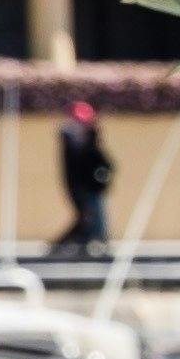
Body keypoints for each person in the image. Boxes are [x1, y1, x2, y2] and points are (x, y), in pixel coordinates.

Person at [56, 98, 114, 258]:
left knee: (93, 216)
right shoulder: (70, 141)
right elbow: (75, 167)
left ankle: (90, 242)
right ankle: (64, 244)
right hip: (80, 186)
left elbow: (105, 163)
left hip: (92, 186)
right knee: (86, 216)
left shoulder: (91, 141)